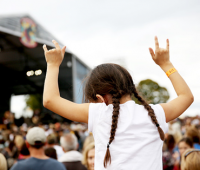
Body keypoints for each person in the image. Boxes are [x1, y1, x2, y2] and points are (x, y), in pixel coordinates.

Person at [43, 37, 194, 170]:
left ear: (101, 99)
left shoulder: (99, 113)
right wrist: (166, 64)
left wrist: (52, 65)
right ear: (130, 87)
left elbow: (50, 100)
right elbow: (186, 97)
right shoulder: (156, 113)